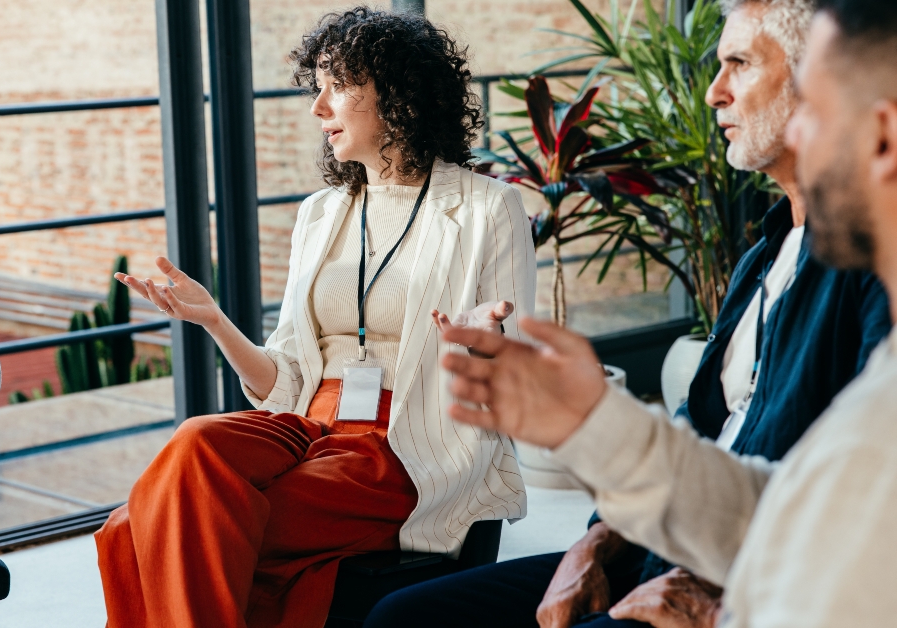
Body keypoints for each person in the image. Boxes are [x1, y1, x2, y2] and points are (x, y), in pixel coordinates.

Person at [365, 0, 891, 626]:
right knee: (401, 618)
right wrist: (594, 534)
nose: (713, 94)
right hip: (664, 543)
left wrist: (725, 611)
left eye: (740, 65)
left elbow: (825, 542)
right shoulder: (763, 254)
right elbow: (718, 442)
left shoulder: (864, 285)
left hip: (728, 579)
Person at [93, 7, 536, 627]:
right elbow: (290, 376)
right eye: (316, 86)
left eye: (338, 86)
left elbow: (517, 376)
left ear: (399, 94)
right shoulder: (320, 214)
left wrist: (484, 348)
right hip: (309, 428)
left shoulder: (489, 208)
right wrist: (216, 321)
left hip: (406, 442)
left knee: (137, 527)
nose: (317, 107)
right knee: (197, 440)